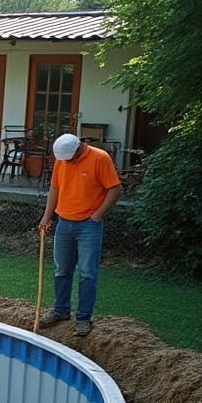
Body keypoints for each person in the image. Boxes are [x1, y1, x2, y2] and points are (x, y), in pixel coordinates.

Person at [37, 132, 122, 338]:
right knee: (62, 269)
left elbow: (115, 189)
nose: (67, 162)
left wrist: (97, 216)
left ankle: (83, 318)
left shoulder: (100, 158)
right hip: (64, 222)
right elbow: (55, 189)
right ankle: (61, 310)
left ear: (78, 149)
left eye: (70, 159)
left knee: (87, 272)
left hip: (88, 226)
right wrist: (46, 217)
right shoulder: (62, 161)